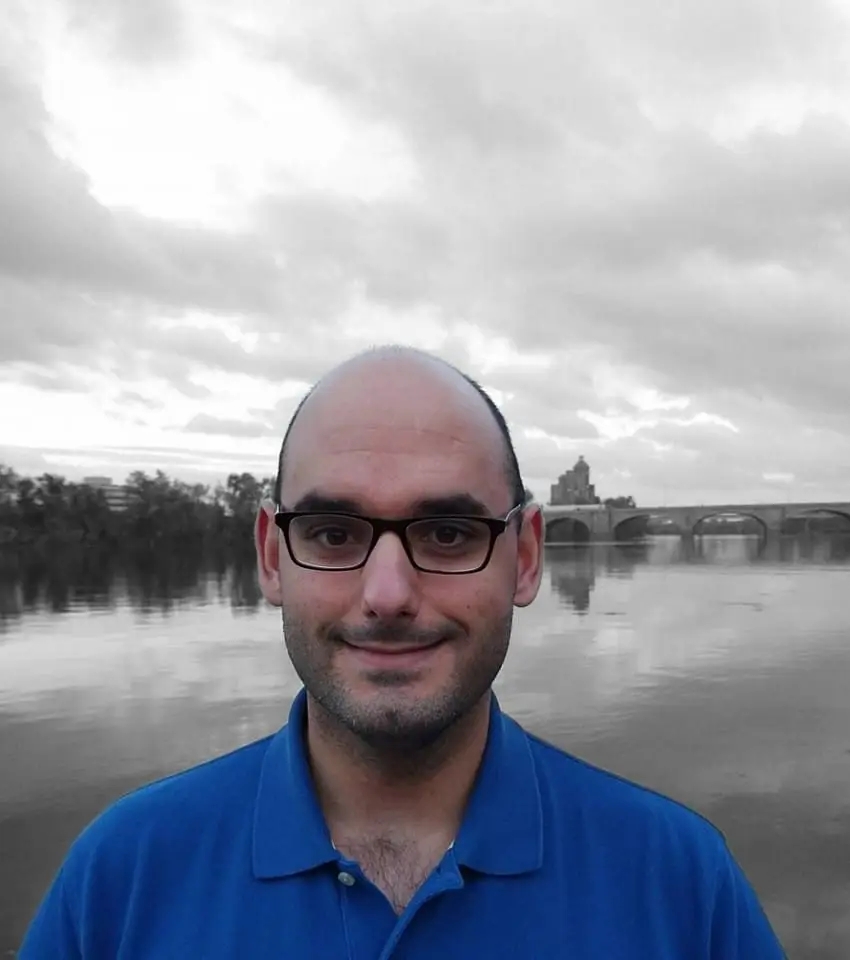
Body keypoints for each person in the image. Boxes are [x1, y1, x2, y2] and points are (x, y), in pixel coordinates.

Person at [20, 346, 787, 958]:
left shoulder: (679, 884)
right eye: (332, 533)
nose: (387, 594)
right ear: (270, 556)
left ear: (524, 558)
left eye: (448, 534)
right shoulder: (121, 878)